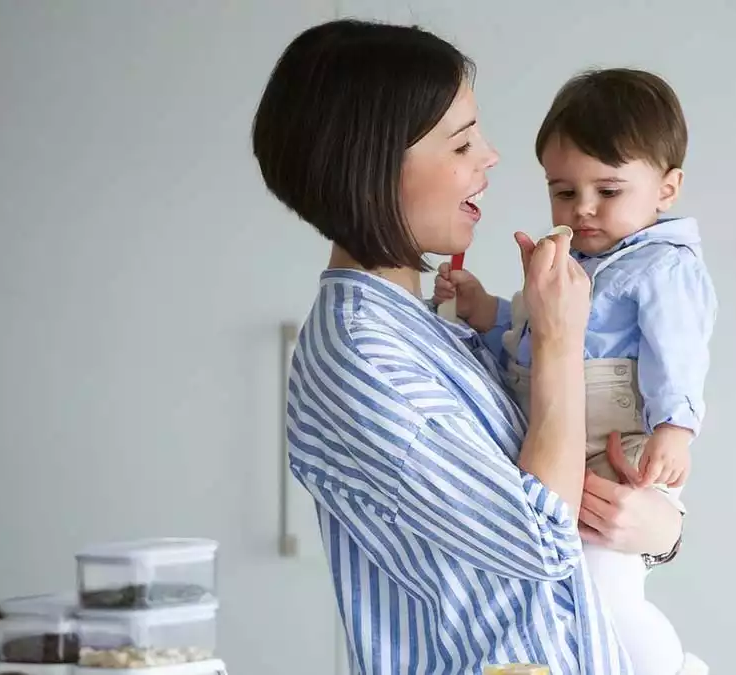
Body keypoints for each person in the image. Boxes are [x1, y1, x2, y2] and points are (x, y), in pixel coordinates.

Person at [250, 19, 686, 675]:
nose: (491, 156)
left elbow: (567, 503)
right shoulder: (362, 359)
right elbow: (540, 538)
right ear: (372, 168)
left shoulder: (428, 326)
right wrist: (560, 341)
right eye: (461, 144)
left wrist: (659, 532)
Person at [434, 69, 717, 675]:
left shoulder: (663, 267)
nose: (582, 210)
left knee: (605, 590)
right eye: (563, 191)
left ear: (667, 189)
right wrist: (490, 311)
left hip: (616, 446)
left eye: (608, 192)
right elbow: (538, 335)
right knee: (581, 594)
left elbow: (681, 351)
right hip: (568, 442)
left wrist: (675, 426)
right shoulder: (582, 260)